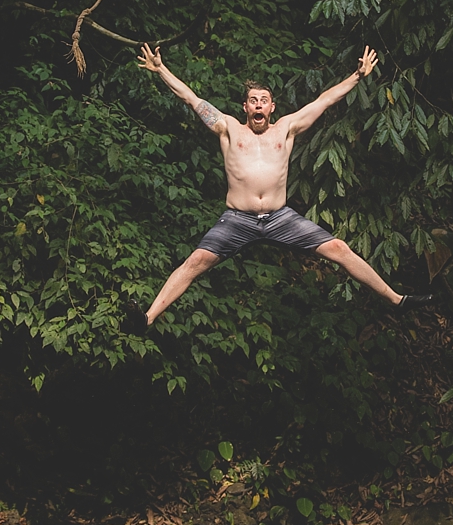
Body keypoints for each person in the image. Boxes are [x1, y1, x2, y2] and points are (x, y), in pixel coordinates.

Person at [126, 42, 433, 331]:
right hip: (238, 219)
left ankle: (397, 300)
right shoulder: (229, 128)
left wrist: (357, 76)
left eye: (263, 101)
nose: (258, 105)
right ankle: (147, 319)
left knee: (339, 248)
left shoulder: (286, 129)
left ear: (272, 107)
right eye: (252, 101)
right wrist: (161, 69)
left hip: (280, 217)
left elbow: (324, 100)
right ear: (245, 107)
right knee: (195, 261)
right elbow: (192, 99)